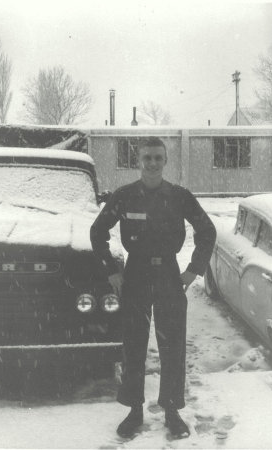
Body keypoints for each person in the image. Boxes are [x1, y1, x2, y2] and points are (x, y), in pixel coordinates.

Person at [90, 137, 216, 439]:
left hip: (170, 275)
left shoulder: (179, 196)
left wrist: (192, 271)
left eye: (158, 158)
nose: (152, 163)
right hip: (135, 274)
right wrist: (112, 272)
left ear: (165, 161)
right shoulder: (124, 196)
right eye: (147, 158)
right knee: (133, 345)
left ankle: (172, 411)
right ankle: (134, 410)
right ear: (139, 161)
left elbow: (207, 231)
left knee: (172, 345)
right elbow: (98, 231)